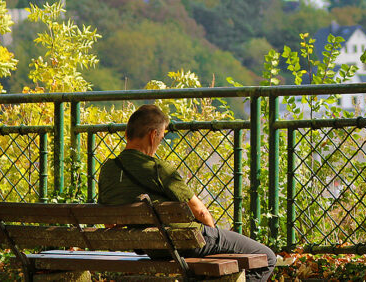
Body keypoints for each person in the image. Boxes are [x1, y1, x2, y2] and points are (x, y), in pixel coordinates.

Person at [99, 104, 276, 282]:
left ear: (127, 134)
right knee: (267, 257)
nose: (160, 142)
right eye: (161, 136)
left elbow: (109, 222)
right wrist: (214, 236)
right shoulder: (158, 169)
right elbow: (201, 212)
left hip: (151, 248)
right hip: (187, 241)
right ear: (153, 135)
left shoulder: (108, 169)